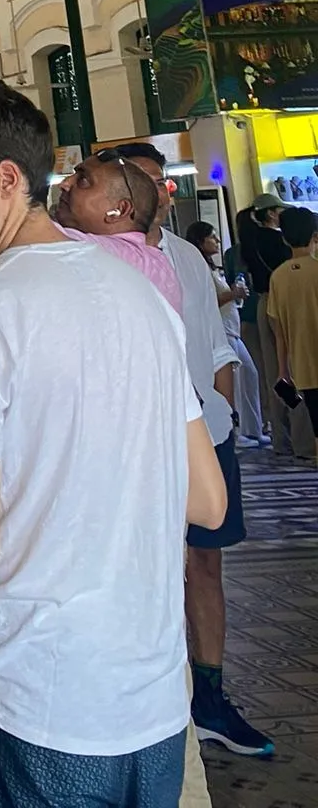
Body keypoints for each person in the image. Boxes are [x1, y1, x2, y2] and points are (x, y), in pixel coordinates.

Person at [0, 83, 224, 805]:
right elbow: (207, 502)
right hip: (151, 701)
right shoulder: (141, 296)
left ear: (8, 180)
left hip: (40, 695)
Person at [111, 143, 271, 760]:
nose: (158, 192)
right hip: (133, 444)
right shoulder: (89, 260)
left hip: (202, 433)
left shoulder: (185, 258)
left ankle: (210, 695)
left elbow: (213, 346)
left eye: (162, 181)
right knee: (142, 568)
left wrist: (221, 413)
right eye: (142, 180)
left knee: (206, 564)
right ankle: (152, 697)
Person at [55, 156, 183, 311]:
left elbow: (35, 230)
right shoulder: (158, 264)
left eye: (83, 180)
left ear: (120, 210)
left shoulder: (110, 253)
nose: (64, 184)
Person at [185, 222, 262, 445]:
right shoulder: (198, 269)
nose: (217, 241)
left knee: (248, 375)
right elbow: (205, 302)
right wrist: (232, 294)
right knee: (236, 380)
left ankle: (251, 428)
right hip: (221, 333)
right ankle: (234, 431)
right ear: (201, 241)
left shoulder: (211, 268)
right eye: (212, 237)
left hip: (231, 329)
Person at [239, 197, 293, 455]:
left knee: (273, 370)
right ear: (271, 214)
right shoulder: (277, 242)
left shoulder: (251, 240)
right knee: (290, 369)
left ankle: (280, 435)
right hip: (281, 305)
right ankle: (298, 433)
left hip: (264, 304)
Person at [266, 204, 318, 443]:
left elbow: (279, 331)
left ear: (284, 239)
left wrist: (283, 370)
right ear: (314, 236)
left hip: (304, 366)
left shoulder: (278, 276)